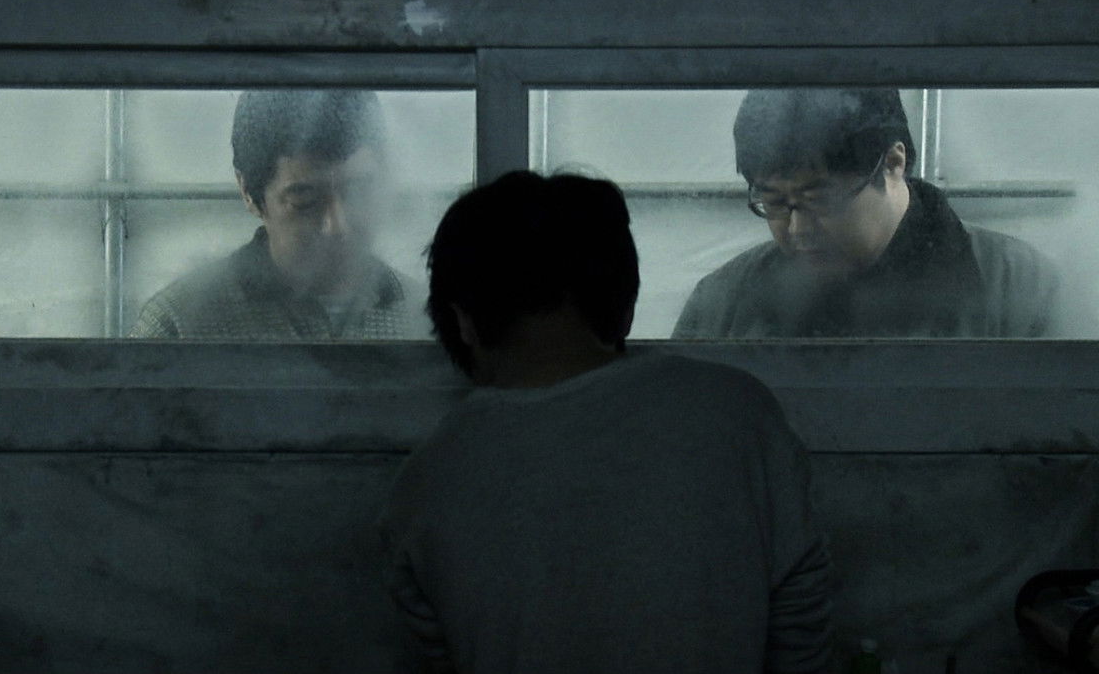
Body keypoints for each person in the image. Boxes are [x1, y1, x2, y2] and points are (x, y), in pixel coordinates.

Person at [379, 171, 832, 673]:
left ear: (462, 321)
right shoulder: (738, 416)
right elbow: (800, 626)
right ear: (626, 304)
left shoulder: (428, 482)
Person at [673, 88, 1059, 338]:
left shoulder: (1015, 287)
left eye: (820, 200)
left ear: (892, 162)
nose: (798, 229)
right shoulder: (723, 302)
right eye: (774, 203)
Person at [129, 89, 423, 339]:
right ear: (248, 192)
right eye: (305, 200)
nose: (337, 225)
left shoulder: (429, 317)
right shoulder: (179, 325)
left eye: (358, 190)